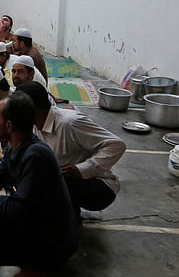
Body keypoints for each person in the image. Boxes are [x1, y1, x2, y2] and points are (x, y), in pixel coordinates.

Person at [0, 93, 78, 277]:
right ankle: (31, 266)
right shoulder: (16, 147)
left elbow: (16, 209)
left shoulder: (35, 155)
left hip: (56, 242)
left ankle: (34, 274)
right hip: (39, 224)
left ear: (8, 126)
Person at [16, 80, 126, 220]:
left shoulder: (69, 122)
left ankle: (69, 223)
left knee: (49, 182)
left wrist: (81, 169)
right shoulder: (35, 125)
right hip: (66, 181)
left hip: (100, 187)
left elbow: (116, 145)